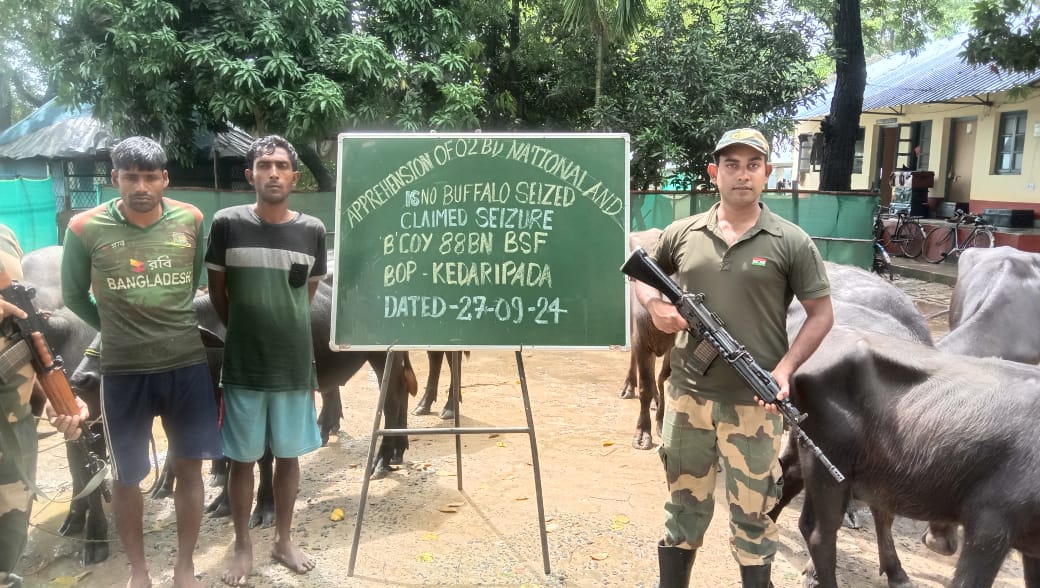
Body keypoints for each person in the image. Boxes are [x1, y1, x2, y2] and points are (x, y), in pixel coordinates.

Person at [634, 128, 834, 588]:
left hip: (755, 408)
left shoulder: (792, 241)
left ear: (766, 174)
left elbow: (822, 316)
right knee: (683, 511)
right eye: (731, 165)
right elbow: (642, 274)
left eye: (752, 165)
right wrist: (655, 306)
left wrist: (783, 371)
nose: (741, 175)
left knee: (754, 517)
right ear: (714, 173)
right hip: (686, 401)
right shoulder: (683, 233)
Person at [61, 136, 222, 588]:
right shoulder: (84, 227)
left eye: (150, 176)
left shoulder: (190, 219)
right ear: (115, 178)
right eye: (131, 176)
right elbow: (73, 295)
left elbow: (190, 285)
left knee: (189, 467)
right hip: (123, 372)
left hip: (185, 365)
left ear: (164, 179)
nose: (141, 186)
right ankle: (139, 570)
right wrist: (113, 326)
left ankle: (184, 567)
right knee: (127, 474)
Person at [205, 135, 326, 586]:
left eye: (281, 165)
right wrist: (246, 333)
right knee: (241, 459)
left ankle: (283, 539)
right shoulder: (226, 224)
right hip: (243, 367)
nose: (272, 172)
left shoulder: (312, 230)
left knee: (289, 457)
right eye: (264, 165)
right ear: (249, 174)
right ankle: (242, 546)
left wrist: (279, 326)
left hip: (294, 365)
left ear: (295, 176)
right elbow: (219, 295)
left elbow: (306, 295)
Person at [0, 224, 88, 588]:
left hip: (13, 436)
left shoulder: (4, 236)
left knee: (8, 541)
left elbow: (15, 336)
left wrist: (53, 396)